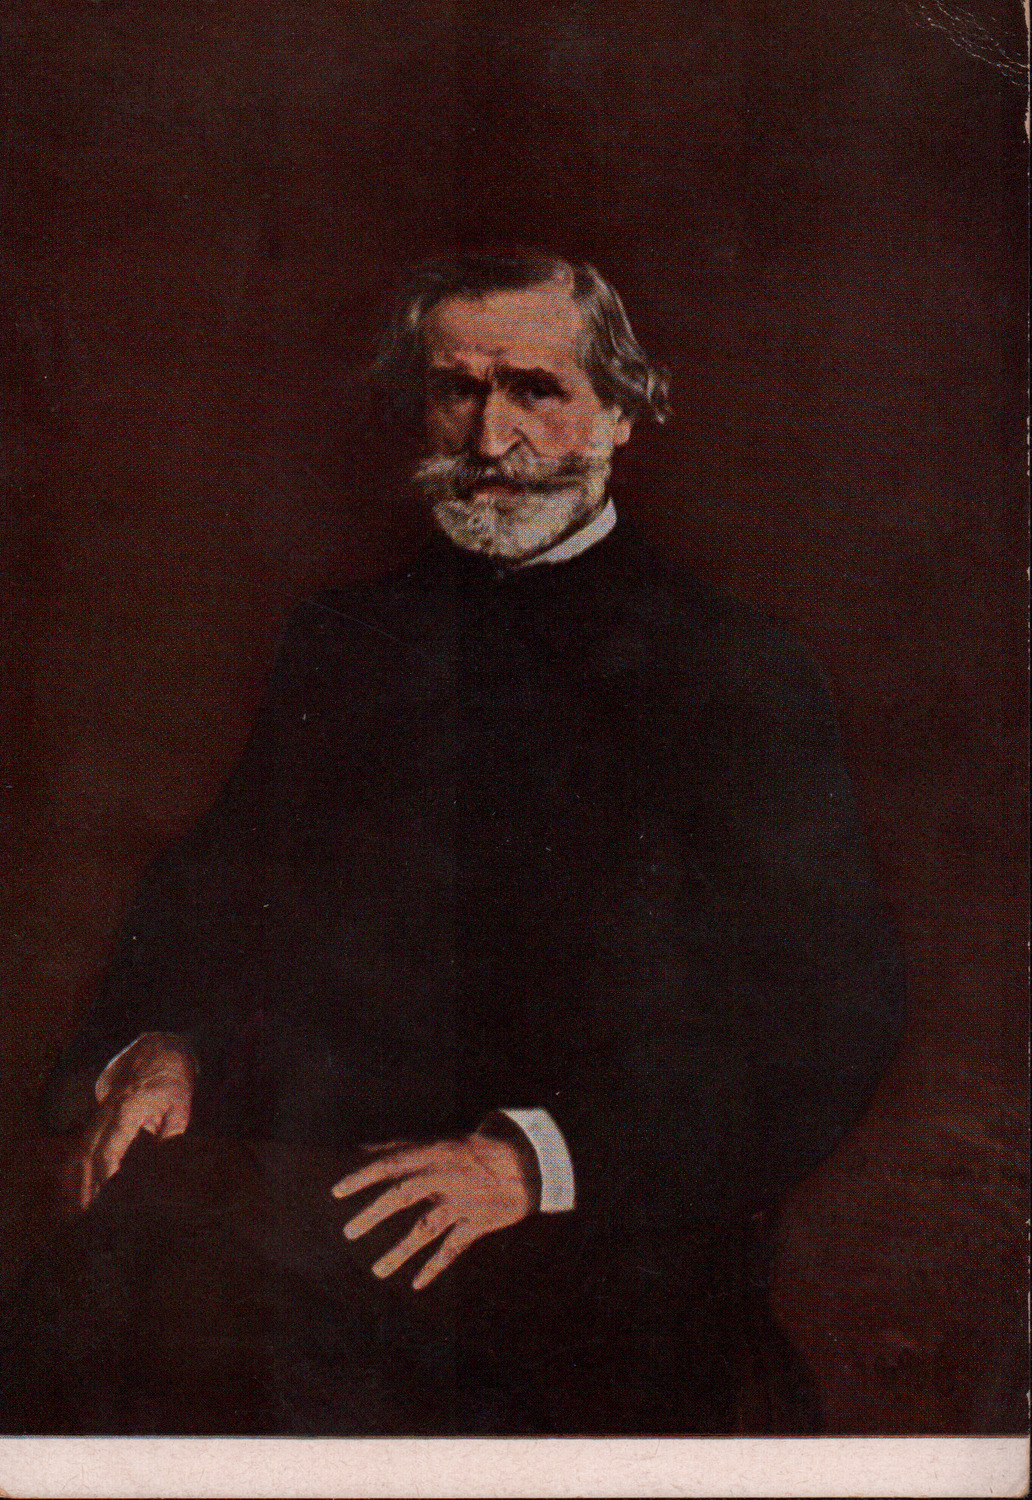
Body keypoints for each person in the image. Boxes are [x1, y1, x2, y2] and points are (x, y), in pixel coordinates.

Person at [1, 253, 904, 1436]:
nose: (492, 435)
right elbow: (215, 889)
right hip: (327, 1198)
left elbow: (831, 1014)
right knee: (92, 1303)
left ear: (622, 414)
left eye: (536, 388)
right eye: (457, 390)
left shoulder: (736, 669)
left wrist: (532, 1164)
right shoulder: (342, 640)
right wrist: (162, 1042)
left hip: (593, 1239)